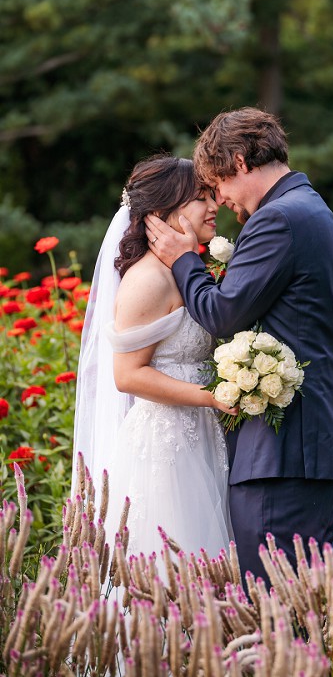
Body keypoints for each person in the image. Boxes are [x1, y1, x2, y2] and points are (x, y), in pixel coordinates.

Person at [144, 108, 333, 581]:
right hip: (306, 442)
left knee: (275, 604)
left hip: (283, 452)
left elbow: (222, 313)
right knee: (306, 600)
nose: (222, 201)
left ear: (239, 162)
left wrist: (183, 260)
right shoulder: (309, 207)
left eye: (218, 185)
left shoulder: (278, 219)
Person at [72, 154, 235, 560]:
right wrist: (211, 397)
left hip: (202, 435)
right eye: (202, 197)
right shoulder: (146, 279)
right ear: (164, 212)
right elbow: (127, 376)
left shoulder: (185, 270)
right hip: (168, 445)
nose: (214, 206)